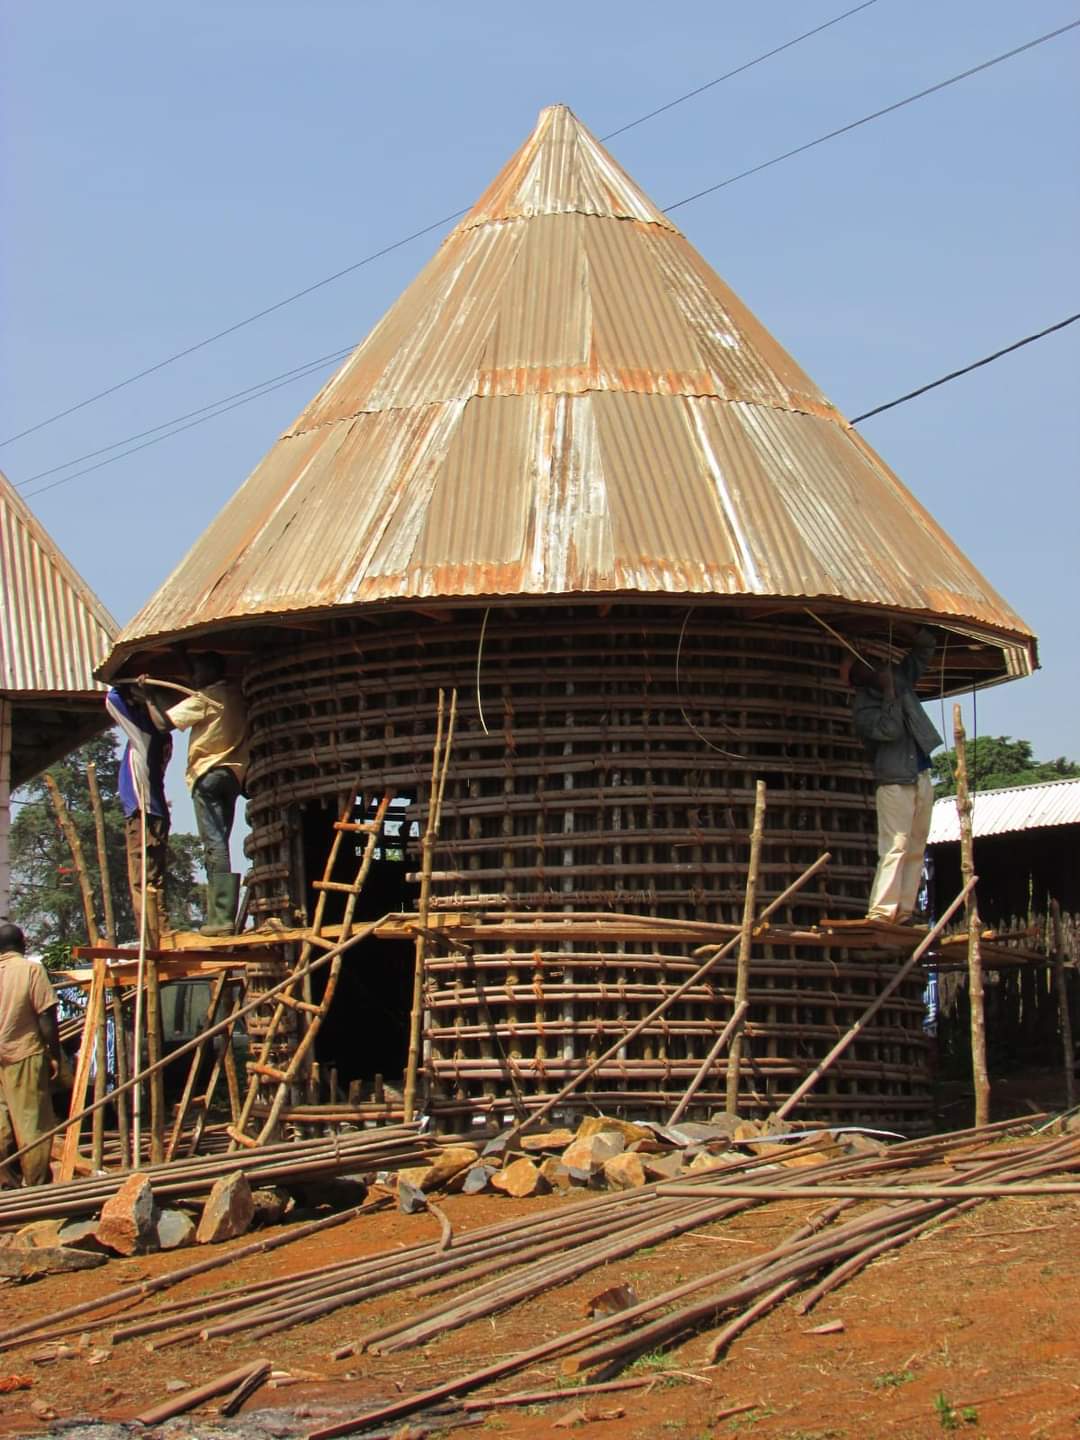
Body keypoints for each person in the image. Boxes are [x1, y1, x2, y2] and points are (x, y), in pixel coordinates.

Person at [141, 654, 249, 937]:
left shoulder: (207, 697)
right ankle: (222, 915)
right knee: (222, 840)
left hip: (207, 774)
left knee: (214, 844)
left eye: (196, 672)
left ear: (209, 672)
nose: (193, 678)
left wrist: (149, 696)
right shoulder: (237, 695)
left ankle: (221, 918)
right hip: (234, 774)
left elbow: (164, 723)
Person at [844, 627, 944, 924]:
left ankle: (904, 911)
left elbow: (925, 650)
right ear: (860, 679)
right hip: (894, 783)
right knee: (895, 846)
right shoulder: (864, 708)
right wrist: (889, 693)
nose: (875, 666)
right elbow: (890, 730)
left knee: (916, 846)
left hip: (920, 776)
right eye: (865, 666)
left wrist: (913, 631)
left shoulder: (901, 680)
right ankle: (881, 912)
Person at [106, 684, 172, 947]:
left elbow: (112, 699)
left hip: (143, 814)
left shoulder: (146, 733)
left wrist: (134, 690)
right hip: (152, 813)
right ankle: (159, 932)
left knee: (141, 881)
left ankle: (152, 939)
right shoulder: (162, 737)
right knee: (152, 880)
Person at [0, 922, 61, 1187]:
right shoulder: (31, 971)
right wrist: (54, 1054)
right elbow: (46, 1015)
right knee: (32, 1125)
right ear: (22, 943)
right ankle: (35, 1187)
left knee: (1, 1128)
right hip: (23, 1054)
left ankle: (6, 1184)